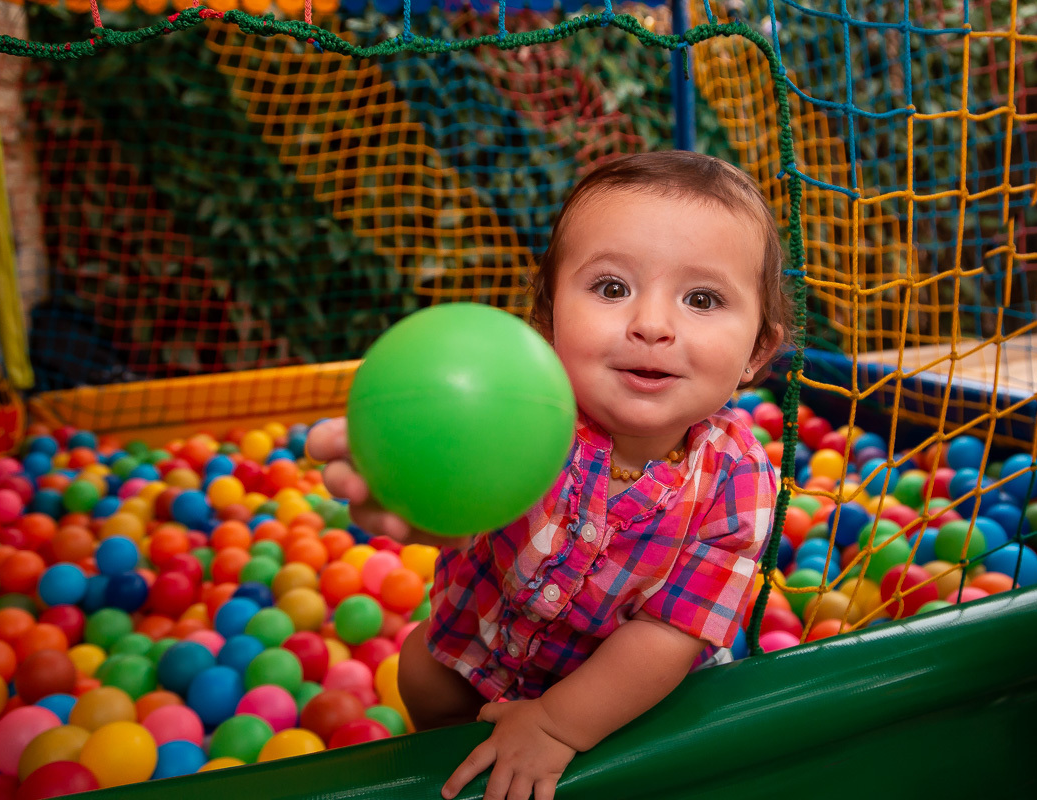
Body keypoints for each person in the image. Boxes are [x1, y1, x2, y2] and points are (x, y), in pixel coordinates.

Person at [307, 150, 793, 800]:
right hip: (478, 644)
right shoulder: (518, 410)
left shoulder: (740, 480)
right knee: (420, 670)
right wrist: (424, 500)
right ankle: (456, 772)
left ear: (757, 351)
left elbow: (668, 635)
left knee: (656, 736)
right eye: (611, 288)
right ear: (549, 317)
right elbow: (460, 500)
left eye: (701, 299)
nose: (651, 325)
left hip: (617, 690)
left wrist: (557, 726)